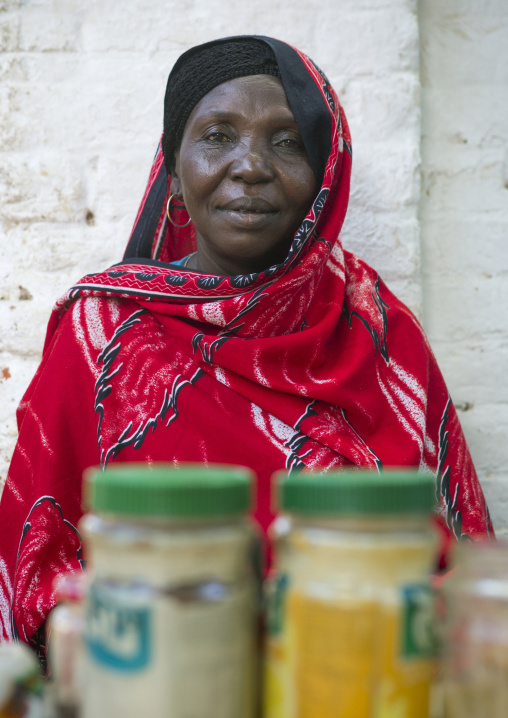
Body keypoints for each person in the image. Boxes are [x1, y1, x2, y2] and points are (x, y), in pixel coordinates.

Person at [0, 36, 492, 661]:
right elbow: (36, 558)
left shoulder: (376, 328)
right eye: (217, 136)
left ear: (324, 175)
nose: (252, 165)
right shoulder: (102, 332)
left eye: (288, 142)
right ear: (173, 174)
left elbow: (456, 565)